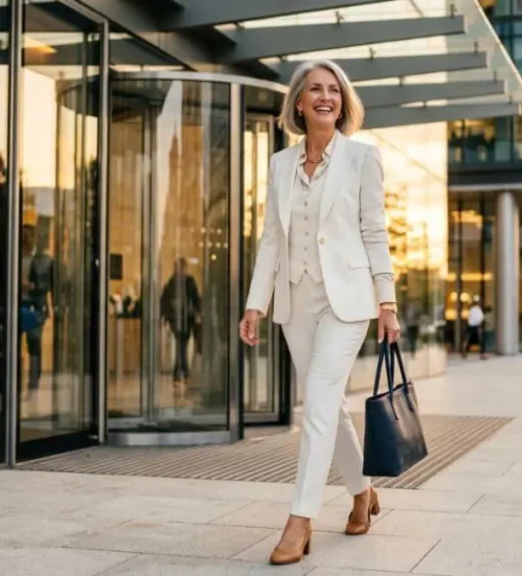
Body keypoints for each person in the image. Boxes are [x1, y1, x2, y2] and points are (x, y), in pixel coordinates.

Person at [238, 59, 399, 566]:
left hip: (347, 301)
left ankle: (300, 518)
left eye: (334, 90)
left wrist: (387, 301)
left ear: (342, 102)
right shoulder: (281, 165)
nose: (325, 97)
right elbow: (270, 238)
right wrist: (254, 303)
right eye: (315, 90)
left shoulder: (361, 158)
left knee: (317, 408)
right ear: (300, 104)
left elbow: (374, 231)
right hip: (295, 300)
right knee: (329, 407)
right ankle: (362, 493)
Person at [20, 224, 54, 397]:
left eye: (29, 235)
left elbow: (50, 284)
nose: (26, 239)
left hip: (35, 307)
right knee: (13, 345)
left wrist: (34, 286)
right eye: (23, 235)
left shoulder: (45, 260)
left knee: (34, 344)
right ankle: (14, 380)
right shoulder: (13, 256)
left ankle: (33, 381)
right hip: (17, 305)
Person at [161, 257, 201, 382]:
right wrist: (166, 316)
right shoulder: (171, 282)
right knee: (181, 343)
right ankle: (182, 369)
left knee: (182, 344)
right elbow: (165, 300)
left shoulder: (189, 281)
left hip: (187, 318)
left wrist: (197, 313)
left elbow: (195, 299)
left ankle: (180, 369)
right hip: (176, 318)